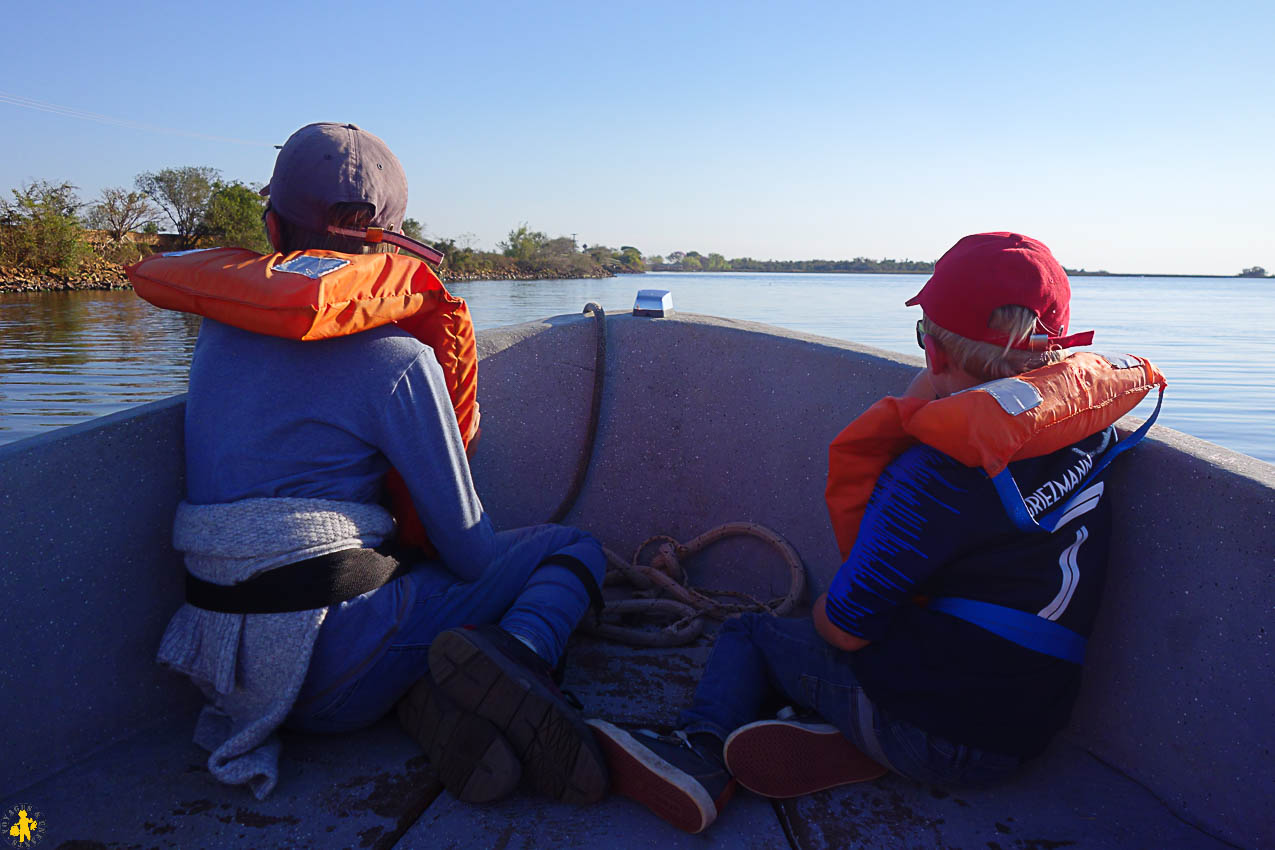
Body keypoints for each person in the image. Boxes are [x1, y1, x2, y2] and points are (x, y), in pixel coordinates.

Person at [587, 232, 1164, 833]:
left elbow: (846, 630)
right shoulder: (1090, 432)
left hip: (941, 734)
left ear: (934, 353)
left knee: (754, 634)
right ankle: (842, 735)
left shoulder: (932, 478)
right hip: (1027, 731)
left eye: (925, 336)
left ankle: (700, 755)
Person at [150, 122, 608, 805]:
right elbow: (473, 555)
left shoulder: (218, 328)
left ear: (272, 230)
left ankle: (439, 700)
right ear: (390, 248)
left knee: (403, 586)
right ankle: (519, 669)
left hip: (223, 669)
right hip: (334, 671)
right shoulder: (399, 361)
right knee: (569, 549)